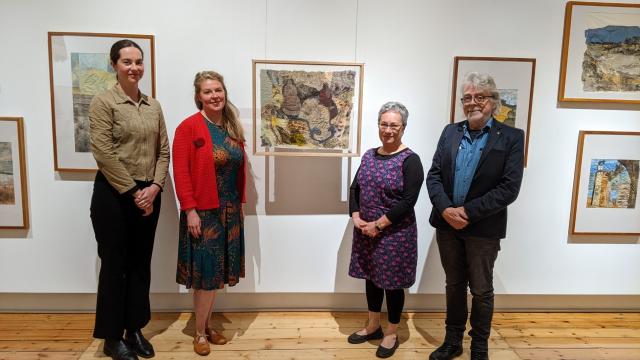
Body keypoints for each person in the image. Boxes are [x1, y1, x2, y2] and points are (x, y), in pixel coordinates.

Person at [426, 72, 524, 360]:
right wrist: (446, 209)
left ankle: (479, 346)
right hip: (447, 225)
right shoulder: (450, 132)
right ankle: (452, 341)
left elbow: (509, 188)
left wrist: (467, 212)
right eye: (467, 98)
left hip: (483, 228)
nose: (472, 103)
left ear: (493, 101)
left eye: (479, 97)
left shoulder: (511, 137)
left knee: (481, 289)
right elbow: (434, 176)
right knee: (454, 284)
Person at [89, 39, 169, 360]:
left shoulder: (154, 106)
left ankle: (134, 328)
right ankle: (111, 337)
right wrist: (135, 191)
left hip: (150, 195)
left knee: (140, 264)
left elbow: (164, 150)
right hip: (114, 195)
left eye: (138, 61)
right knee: (114, 266)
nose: (134, 67)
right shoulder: (102, 102)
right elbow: (103, 152)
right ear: (114, 65)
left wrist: (155, 187)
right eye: (127, 62)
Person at [173, 71, 246, 356]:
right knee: (205, 277)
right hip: (203, 212)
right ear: (198, 97)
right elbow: (181, 172)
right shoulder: (188, 127)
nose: (214, 95)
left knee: (216, 276)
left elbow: (237, 169)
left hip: (229, 212)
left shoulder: (231, 127)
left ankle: (208, 324)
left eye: (218, 90)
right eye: (207, 91)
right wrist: (189, 210)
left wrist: (240, 203)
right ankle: (200, 333)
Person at [347, 102, 424, 358]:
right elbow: (355, 188)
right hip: (366, 231)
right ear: (378, 125)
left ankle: (391, 332)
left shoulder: (411, 160)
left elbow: (408, 201)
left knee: (392, 284)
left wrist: (378, 224)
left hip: (395, 234)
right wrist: (356, 216)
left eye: (394, 125)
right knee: (371, 278)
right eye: (384, 124)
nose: (388, 130)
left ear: (403, 127)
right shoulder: (369, 155)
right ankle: (373, 325)